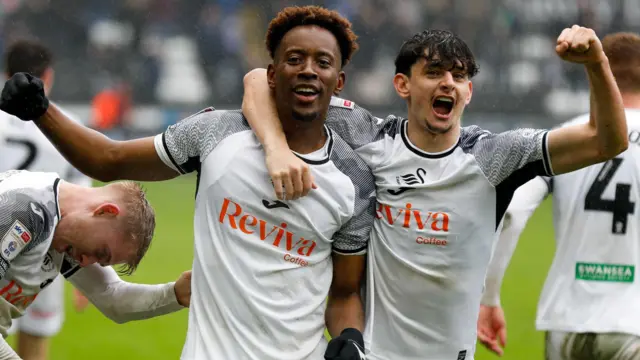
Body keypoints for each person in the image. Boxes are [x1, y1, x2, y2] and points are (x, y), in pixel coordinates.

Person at [0, 6, 375, 360]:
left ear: (339, 81)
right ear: (271, 74)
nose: (309, 70)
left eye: (323, 63)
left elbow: (344, 294)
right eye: (294, 59)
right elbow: (108, 159)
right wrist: (42, 111)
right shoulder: (215, 135)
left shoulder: (354, 180)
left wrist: (350, 339)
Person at [239, 26, 628, 359]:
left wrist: (596, 63)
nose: (448, 83)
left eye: (459, 76)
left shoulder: (494, 157)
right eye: (435, 72)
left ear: (469, 92)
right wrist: (275, 149)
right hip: (371, 353)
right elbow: (260, 80)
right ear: (402, 84)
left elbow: (608, 142)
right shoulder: (370, 138)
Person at [478, 32, 640, 360]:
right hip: (633, 322)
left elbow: (512, 212)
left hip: (565, 320)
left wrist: (489, 298)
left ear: (594, 72)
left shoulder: (563, 139)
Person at [0, 169, 191, 360]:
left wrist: (175, 294)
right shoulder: (22, 208)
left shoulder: (63, 221)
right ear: (105, 211)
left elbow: (111, 297)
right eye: (100, 252)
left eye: (100, 260)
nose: (85, 262)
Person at [0, 38, 91, 360]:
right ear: (48, 76)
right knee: (35, 345)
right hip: (44, 253)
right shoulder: (70, 128)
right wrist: (85, 274)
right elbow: (84, 206)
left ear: (6, 73)